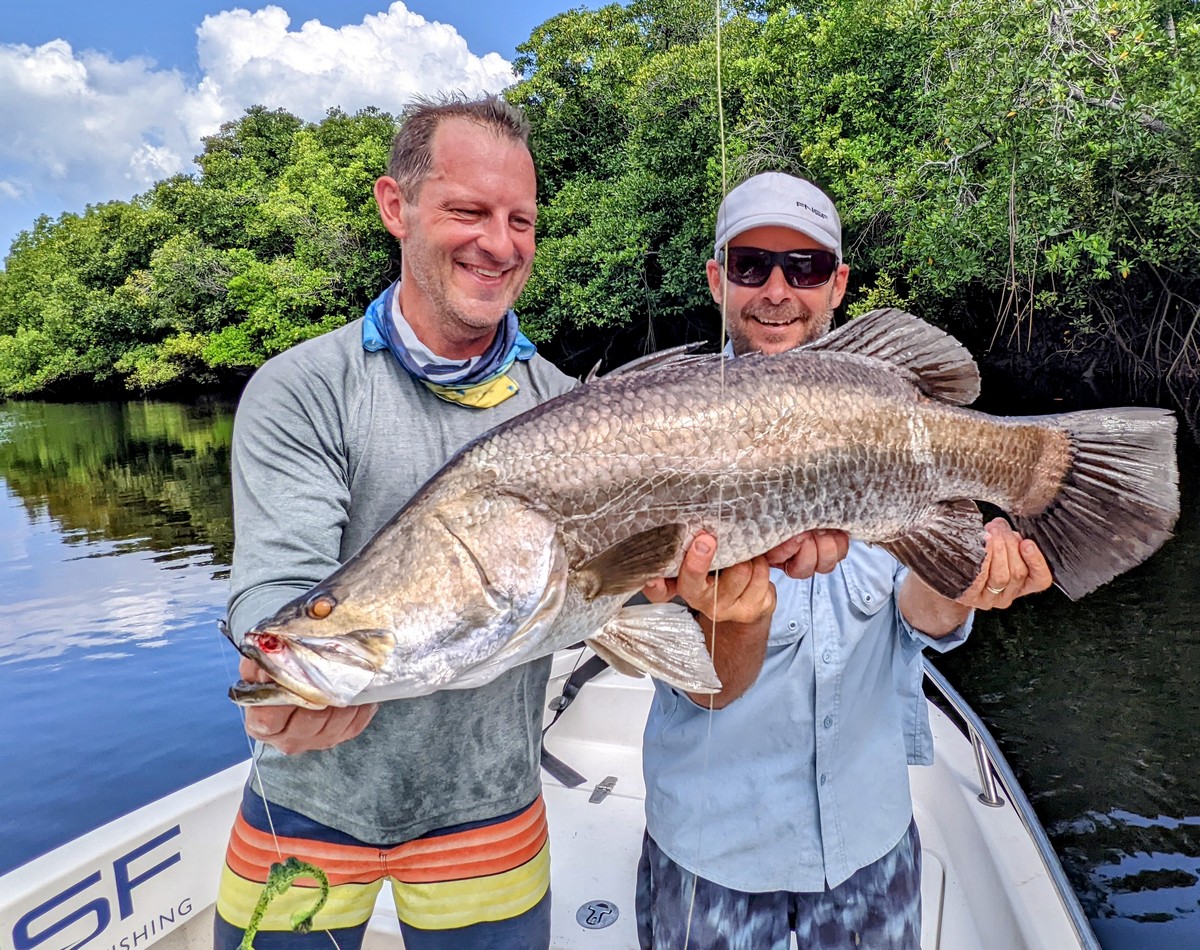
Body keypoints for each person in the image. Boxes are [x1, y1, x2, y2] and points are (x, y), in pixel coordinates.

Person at [635, 172, 1054, 949]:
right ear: (717, 279)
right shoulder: (654, 430)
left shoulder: (893, 406)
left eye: (805, 268)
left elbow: (920, 615)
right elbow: (702, 682)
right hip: (715, 857)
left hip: (871, 847)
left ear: (838, 285)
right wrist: (729, 612)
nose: (777, 291)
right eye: (753, 263)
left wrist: (969, 577)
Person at [214, 95, 576, 950]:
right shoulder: (303, 388)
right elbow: (275, 583)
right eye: (467, 210)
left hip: (489, 809)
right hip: (306, 804)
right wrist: (272, 673)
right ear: (394, 207)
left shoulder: (569, 410)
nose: (500, 241)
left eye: (520, 218)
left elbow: (632, 600)